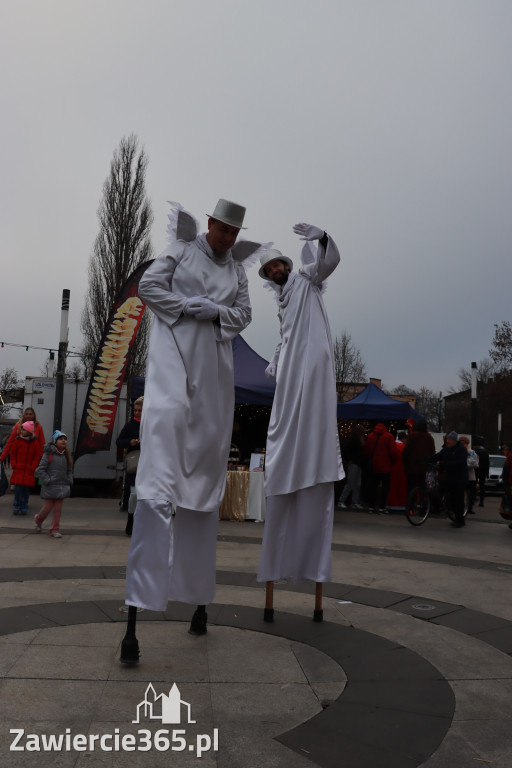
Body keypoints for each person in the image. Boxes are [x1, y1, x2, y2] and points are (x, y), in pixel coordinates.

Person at [122, 198, 253, 664]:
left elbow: (243, 314)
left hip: (214, 373)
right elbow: (149, 286)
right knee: (162, 456)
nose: (228, 241)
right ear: (212, 224)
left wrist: (213, 313)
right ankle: (139, 608)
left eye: (235, 236)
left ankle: (198, 597)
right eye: (223, 232)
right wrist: (184, 307)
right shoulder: (180, 250)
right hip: (174, 359)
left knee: (204, 478)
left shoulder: (236, 271)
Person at [256, 222, 344, 623]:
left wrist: (322, 237)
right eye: (270, 270)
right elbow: (287, 333)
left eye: (277, 265)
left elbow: (328, 264)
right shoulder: (282, 302)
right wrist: (278, 356)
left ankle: (312, 448)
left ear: (286, 264)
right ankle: (290, 451)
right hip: (292, 365)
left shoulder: (307, 280)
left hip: (313, 361)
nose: (276, 272)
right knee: (283, 419)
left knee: (310, 404)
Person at [34, 430, 73, 537]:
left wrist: (69, 479)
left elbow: (69, 470)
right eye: (61, 439)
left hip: (62, 486)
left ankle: (54, 530)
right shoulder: (48, 454)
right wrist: (47, 480)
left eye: (65, 439)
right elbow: (41, 469)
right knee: (47, 508)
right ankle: (38, 520)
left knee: (58, 509)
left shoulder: (66, 455)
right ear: (55, 441)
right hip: (50, 486)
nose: (63, 441)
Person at [116, 396, 143, 535]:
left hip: (149, 465)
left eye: (139, 410)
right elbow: (119, 441)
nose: (136, 413)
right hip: (135, 464)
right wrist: (130, 442)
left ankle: (139, 525)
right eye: (135, 410)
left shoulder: (150, 424)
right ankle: (130, 520)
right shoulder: (130, 425)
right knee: (134, 494)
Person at [430, 431, 468, 528]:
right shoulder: (446, 449)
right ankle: (455, 516)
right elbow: (436, 456)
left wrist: (445, 464)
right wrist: (424, 460)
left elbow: (459, 463)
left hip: (460, 478)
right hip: (450, 477)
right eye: (447, 439)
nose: (447, 441)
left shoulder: (461, 450)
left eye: (450, 440)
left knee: (458, 499)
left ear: (455, 441)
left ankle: (460, 520)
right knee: (451, 498)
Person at [6, 420, 42, 515]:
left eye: (24, 430)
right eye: (21, 429)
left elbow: (37, 456)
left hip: (28, 471)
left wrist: (33, 467)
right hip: (18, 470)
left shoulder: (35, 443)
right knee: (17, 490)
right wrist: (14, 464)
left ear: (29, 431)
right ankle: (17, 505)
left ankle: (24, 506)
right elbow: (12, 454)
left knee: (26, 491)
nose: (21, 431)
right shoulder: (17, 441)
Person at [364, 422, 398, 514]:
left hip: (373, 467)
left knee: (372, 487)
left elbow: (366, 451)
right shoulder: (389, 437)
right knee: (385, 488)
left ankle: (371, 507)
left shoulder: (370, 436)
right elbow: (393, 452)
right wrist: (392, 462)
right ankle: (382, 507)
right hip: (385, 467)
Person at [402, 419, 436, 498]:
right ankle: (423, 506)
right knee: (423, 489)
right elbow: (432, 453)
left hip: (412, 467)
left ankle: (410, 507)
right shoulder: (429, 438)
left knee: (411, 489)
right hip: (424, 468)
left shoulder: (412, 436)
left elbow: (405, 452)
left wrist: (406, 463)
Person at [339, 425, 366, 509]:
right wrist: (349, 459)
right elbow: (345, 449)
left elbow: (345, 449)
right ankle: (343, 501)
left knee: (355, 484)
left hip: (356, 463)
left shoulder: (355, 439)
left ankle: (352, 501)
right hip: (355, 463)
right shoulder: (356, 439)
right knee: (352, 483)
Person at [387, 431, 408, 510]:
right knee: (400, 489)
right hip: (401, 470)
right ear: (404, 439)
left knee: (392, 489)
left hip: (391, 469)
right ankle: (400, 505)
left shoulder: (393, 445)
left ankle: (391, 503)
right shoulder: (403, 447)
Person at [459, 435, 478, 514]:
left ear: (467, 444)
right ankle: (467, 507)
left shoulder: (471, 452)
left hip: (470, 476)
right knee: (466, 493)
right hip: (465, 476)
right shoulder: (461, 451)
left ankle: (469, 507)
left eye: (463, 443)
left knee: (470, 494)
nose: (462, 445)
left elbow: (475, 463)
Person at [473, 436, 490, 507]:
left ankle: (473, 499)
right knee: (482, 486)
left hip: (476, 470)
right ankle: (481, 502)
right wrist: (487, 472)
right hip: (483, 471)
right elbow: (487, 463)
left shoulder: (476, 451)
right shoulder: (486, 452)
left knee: (474, 485)